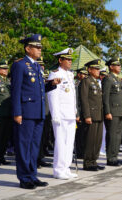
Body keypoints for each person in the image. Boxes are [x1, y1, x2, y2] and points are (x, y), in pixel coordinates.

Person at [11, 34, 56, 189]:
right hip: (25, 112)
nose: (39, 50)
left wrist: (52, 84)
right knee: (24, 145)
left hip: (38, 112)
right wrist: (17, 112)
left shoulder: (37, 66)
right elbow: (16, 91)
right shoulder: (20, 65)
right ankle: (24, 178)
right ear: (28, 48)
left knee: (35, 146)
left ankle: (32, 175)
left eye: (40, 47)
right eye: (36, 47)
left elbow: (40, 89)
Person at [47, 48, 78, 179]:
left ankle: (66, 167)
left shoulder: (69, 75)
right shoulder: (55, 74)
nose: (70, 62)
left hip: (70, 113)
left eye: (71, 60)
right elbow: (52, 95)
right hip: (61, 115)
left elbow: (72, 96)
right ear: (60, 60)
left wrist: (75, 111)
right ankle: (58, 170)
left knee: (69, 142)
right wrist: (55, 114)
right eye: (68, 59)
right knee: (60, 142)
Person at [80, 59, 105, 171]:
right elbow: (84, 99)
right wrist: (87, 115)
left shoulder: (96, 82)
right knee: (90, 140)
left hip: (99, 114)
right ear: (89, 70)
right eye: (96, 68)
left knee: (97, 140)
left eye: (98, 69)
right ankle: (88, 163)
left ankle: (94, 160)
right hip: (91, 115)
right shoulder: (86, 81)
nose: (98, 71)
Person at [102, 57, 122, 166]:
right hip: (112, 111)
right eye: (117, 65)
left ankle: (115, 156)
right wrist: (107, 112)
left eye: (119, 65)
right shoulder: (108, 78)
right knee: (112, 136)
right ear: (111, 67)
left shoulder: (118, 79)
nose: (119, 67)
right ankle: (110, 158)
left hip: (120, 111)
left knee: (118, 136)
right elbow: (105, 97)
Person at [36, 57, 52, 169]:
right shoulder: (35, 79)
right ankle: (35, 159)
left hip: (46, 112)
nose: (42, 67)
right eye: (39, 65)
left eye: (43, 65)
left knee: (44, 137)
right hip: (36, 112)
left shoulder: (43, 79)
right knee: (36, 138)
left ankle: (40, 157)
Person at [75, 67, 88, 159]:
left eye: (86, 74)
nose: (85, 76)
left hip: (85, 112)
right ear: (79, 74)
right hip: (79, 112)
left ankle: (83, 151)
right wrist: (77, 114)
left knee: (84, 133)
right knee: (79, 134)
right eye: (83, 74)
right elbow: (76, 101)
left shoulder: (85, 84)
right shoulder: (76, 85)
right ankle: (79, 152)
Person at [98, 68, 108, 156]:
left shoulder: (106, 84)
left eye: (105, 76)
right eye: (102, 75)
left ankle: (102, 148)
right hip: (98, 110)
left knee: (104, 131)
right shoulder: (98, 84)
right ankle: (99, 149)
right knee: (99, 131)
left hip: (105, 110)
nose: (104, 77)